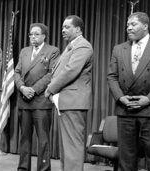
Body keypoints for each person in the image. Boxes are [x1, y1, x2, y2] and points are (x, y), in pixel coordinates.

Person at [107, 12, 150, 171]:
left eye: (133, 24)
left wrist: (148, 99)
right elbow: (112, 77)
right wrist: (120, 98)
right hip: (125, 110)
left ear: (145, 26)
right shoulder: (119, 48)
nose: (128, 28)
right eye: (127, 25)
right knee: (126, 160)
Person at [45, 15, 93, 171]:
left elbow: (70, 71)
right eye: (62, 27)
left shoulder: (83, 46)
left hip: (74, 102)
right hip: (66, 101)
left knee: (72, 148)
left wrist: (50, 89)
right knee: (67, 148)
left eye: (67, 27)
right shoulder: (71, 46)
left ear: (78, 29)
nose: (63, 30)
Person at [14, 23, 60, 171]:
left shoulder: (53, 51)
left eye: (36, 34)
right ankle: (23, 168)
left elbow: (51, 74)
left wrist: (33, 90)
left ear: (44, 36)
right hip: (24, 101)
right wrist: (22, 87)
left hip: (41, 101)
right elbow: (17, 72)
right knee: (24, 139)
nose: (32, 37)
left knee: (43, 140)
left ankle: (44, 169)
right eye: (30, 34)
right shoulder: (24, 51)